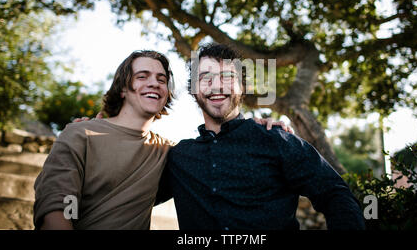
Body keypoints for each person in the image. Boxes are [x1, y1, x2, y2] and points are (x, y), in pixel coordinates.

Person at [34, 49, 290, 230]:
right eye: (142, 76)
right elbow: (58, 207)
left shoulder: (168, 153)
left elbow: (216, 150)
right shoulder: (81, 134)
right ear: (123, 88)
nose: (154, 83)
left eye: (161, 79)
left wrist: (250, 127)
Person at [157, 43, 366, 230]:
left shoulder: (276, 140)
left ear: (243, 87)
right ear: (193, 90)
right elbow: (134, 195)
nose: (217, 85)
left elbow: (335, 194)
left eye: (227, 76)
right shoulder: (179, 157)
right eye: (205, 77)